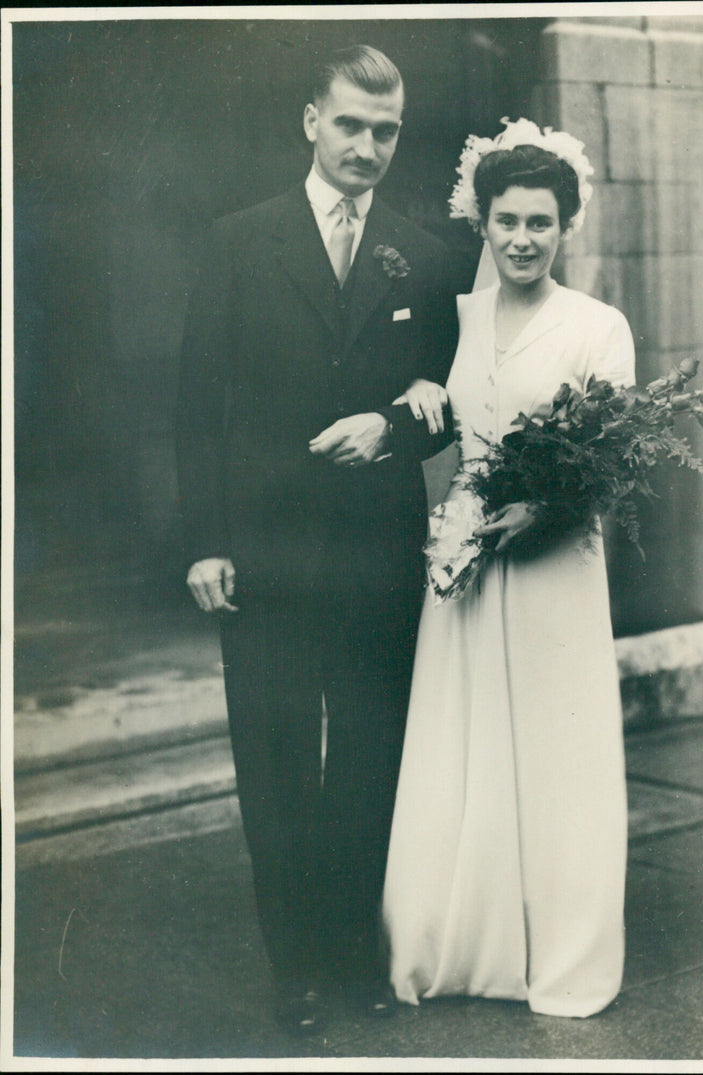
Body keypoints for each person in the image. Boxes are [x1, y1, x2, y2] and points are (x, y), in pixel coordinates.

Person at [175, 44, 457, 1035]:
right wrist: (205, 541)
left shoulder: (421, 253)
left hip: (377, 550)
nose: (368, 146)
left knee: (372, 760)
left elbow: (450, 401)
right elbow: (195, 404)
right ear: (310, 121)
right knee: (279, 760)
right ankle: (293, 968)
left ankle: (354, 958)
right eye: (350, 125)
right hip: (267, 550)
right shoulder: (236, 242)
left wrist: (400, 420)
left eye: (385, 130)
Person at [382, 120, 635, 1018]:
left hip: (553, 563)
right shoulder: (459, 317)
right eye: (506, 221)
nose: (522, 239)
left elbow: (607, 460)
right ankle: (459, 944)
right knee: (465, 739)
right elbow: (440, 412)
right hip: (469, 560)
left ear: (566, 228)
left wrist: (549, 509)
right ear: (481, 224)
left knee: (553, 752)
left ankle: (561, 953)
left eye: (540, 222)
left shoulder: (598, 327)